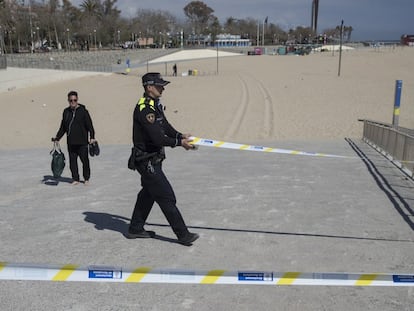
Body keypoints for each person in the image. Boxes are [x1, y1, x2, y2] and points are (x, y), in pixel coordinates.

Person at [127, 72, 199, 246]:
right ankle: (183, 235)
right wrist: (179, 143)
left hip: (153, 159)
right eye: (159, 85)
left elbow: (165, 125)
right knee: (166, 196)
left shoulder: (154, 105)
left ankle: (135, 228)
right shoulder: (145, 109)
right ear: (149, 87)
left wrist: (180, 135)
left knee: (149, 193)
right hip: (146, 161)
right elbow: (158, 139)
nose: (163, 88)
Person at [53, 90, 96, 185]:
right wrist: (57, 138)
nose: (73, 102)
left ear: (77, 100)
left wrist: (92, 137)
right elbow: (63, 127)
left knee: (85, 161)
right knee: (72, 162)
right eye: (71, 100)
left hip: (82, 142)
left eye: (75, 100)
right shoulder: (66, 112)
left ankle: (86, 178)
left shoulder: (83, 111)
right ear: (68, 100)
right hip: (71, 142)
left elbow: (90, 126)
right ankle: (75, 178)